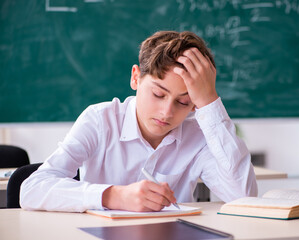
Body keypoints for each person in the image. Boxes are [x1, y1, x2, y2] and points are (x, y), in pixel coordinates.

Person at [20, 31, 257, 212]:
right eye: (158, 94)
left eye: (183, 102)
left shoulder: (200, 134)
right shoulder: (100, 120)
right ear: (136, 78)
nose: (166, 112)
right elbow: (31, 190)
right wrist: (113, 196)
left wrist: (209, 102)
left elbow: (244, 197)